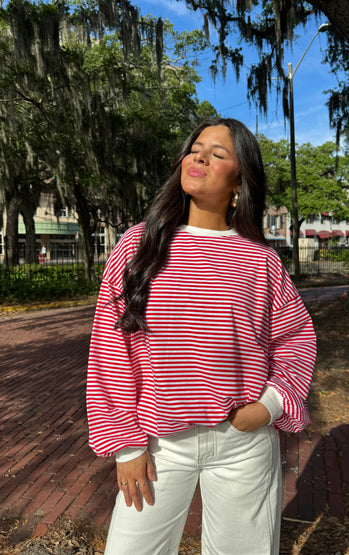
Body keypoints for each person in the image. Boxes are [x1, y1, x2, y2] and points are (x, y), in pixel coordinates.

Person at [86, 118, 316, 555]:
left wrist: (269, 406)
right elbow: (112, 350)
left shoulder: (261, 259)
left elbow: (296, 338)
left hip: (242, 444)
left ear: (239, 182)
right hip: (157, 443)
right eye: (196, 147)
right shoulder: (141, 244)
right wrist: (124, 445)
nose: (200, 155)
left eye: (219, 152)